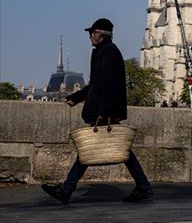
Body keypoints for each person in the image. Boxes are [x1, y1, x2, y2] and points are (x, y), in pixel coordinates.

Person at [41, 18, 153, 204]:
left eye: (91, 33)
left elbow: (107, 85)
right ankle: (143, 186)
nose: (90, 37)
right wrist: (76, 97)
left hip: (104, 110)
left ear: (99, 34)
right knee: (120, 149)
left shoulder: (107, 52)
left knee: (90, 150)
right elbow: (96, 85)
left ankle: (66, 189)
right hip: (105, 109)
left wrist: (103, 112)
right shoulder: (105, 51)